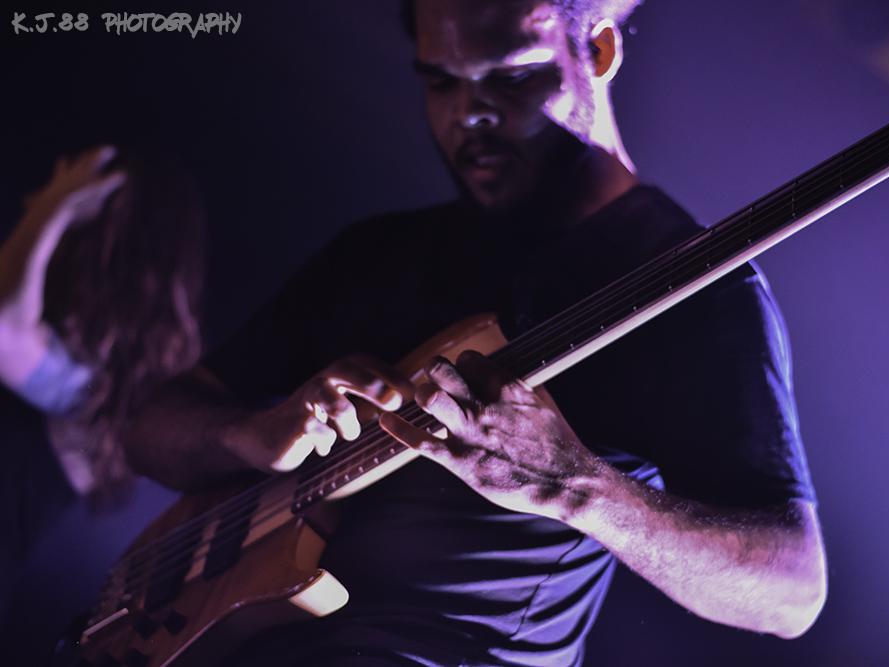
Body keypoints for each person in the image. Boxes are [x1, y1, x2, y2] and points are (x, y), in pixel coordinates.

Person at [123, 0, 827, 664]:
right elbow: (148, 428)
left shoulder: (697, 289)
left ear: (599, 49)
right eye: (440, 81)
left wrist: (578, 487)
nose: (470, 114)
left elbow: (792, 591)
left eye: (512, 77)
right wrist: (248, 433)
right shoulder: (375, 253)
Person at [0, 146, 205, 623]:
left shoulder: (105, 392)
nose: (33, 199)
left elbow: (3, 330)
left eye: (63, 188)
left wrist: (54, 208)